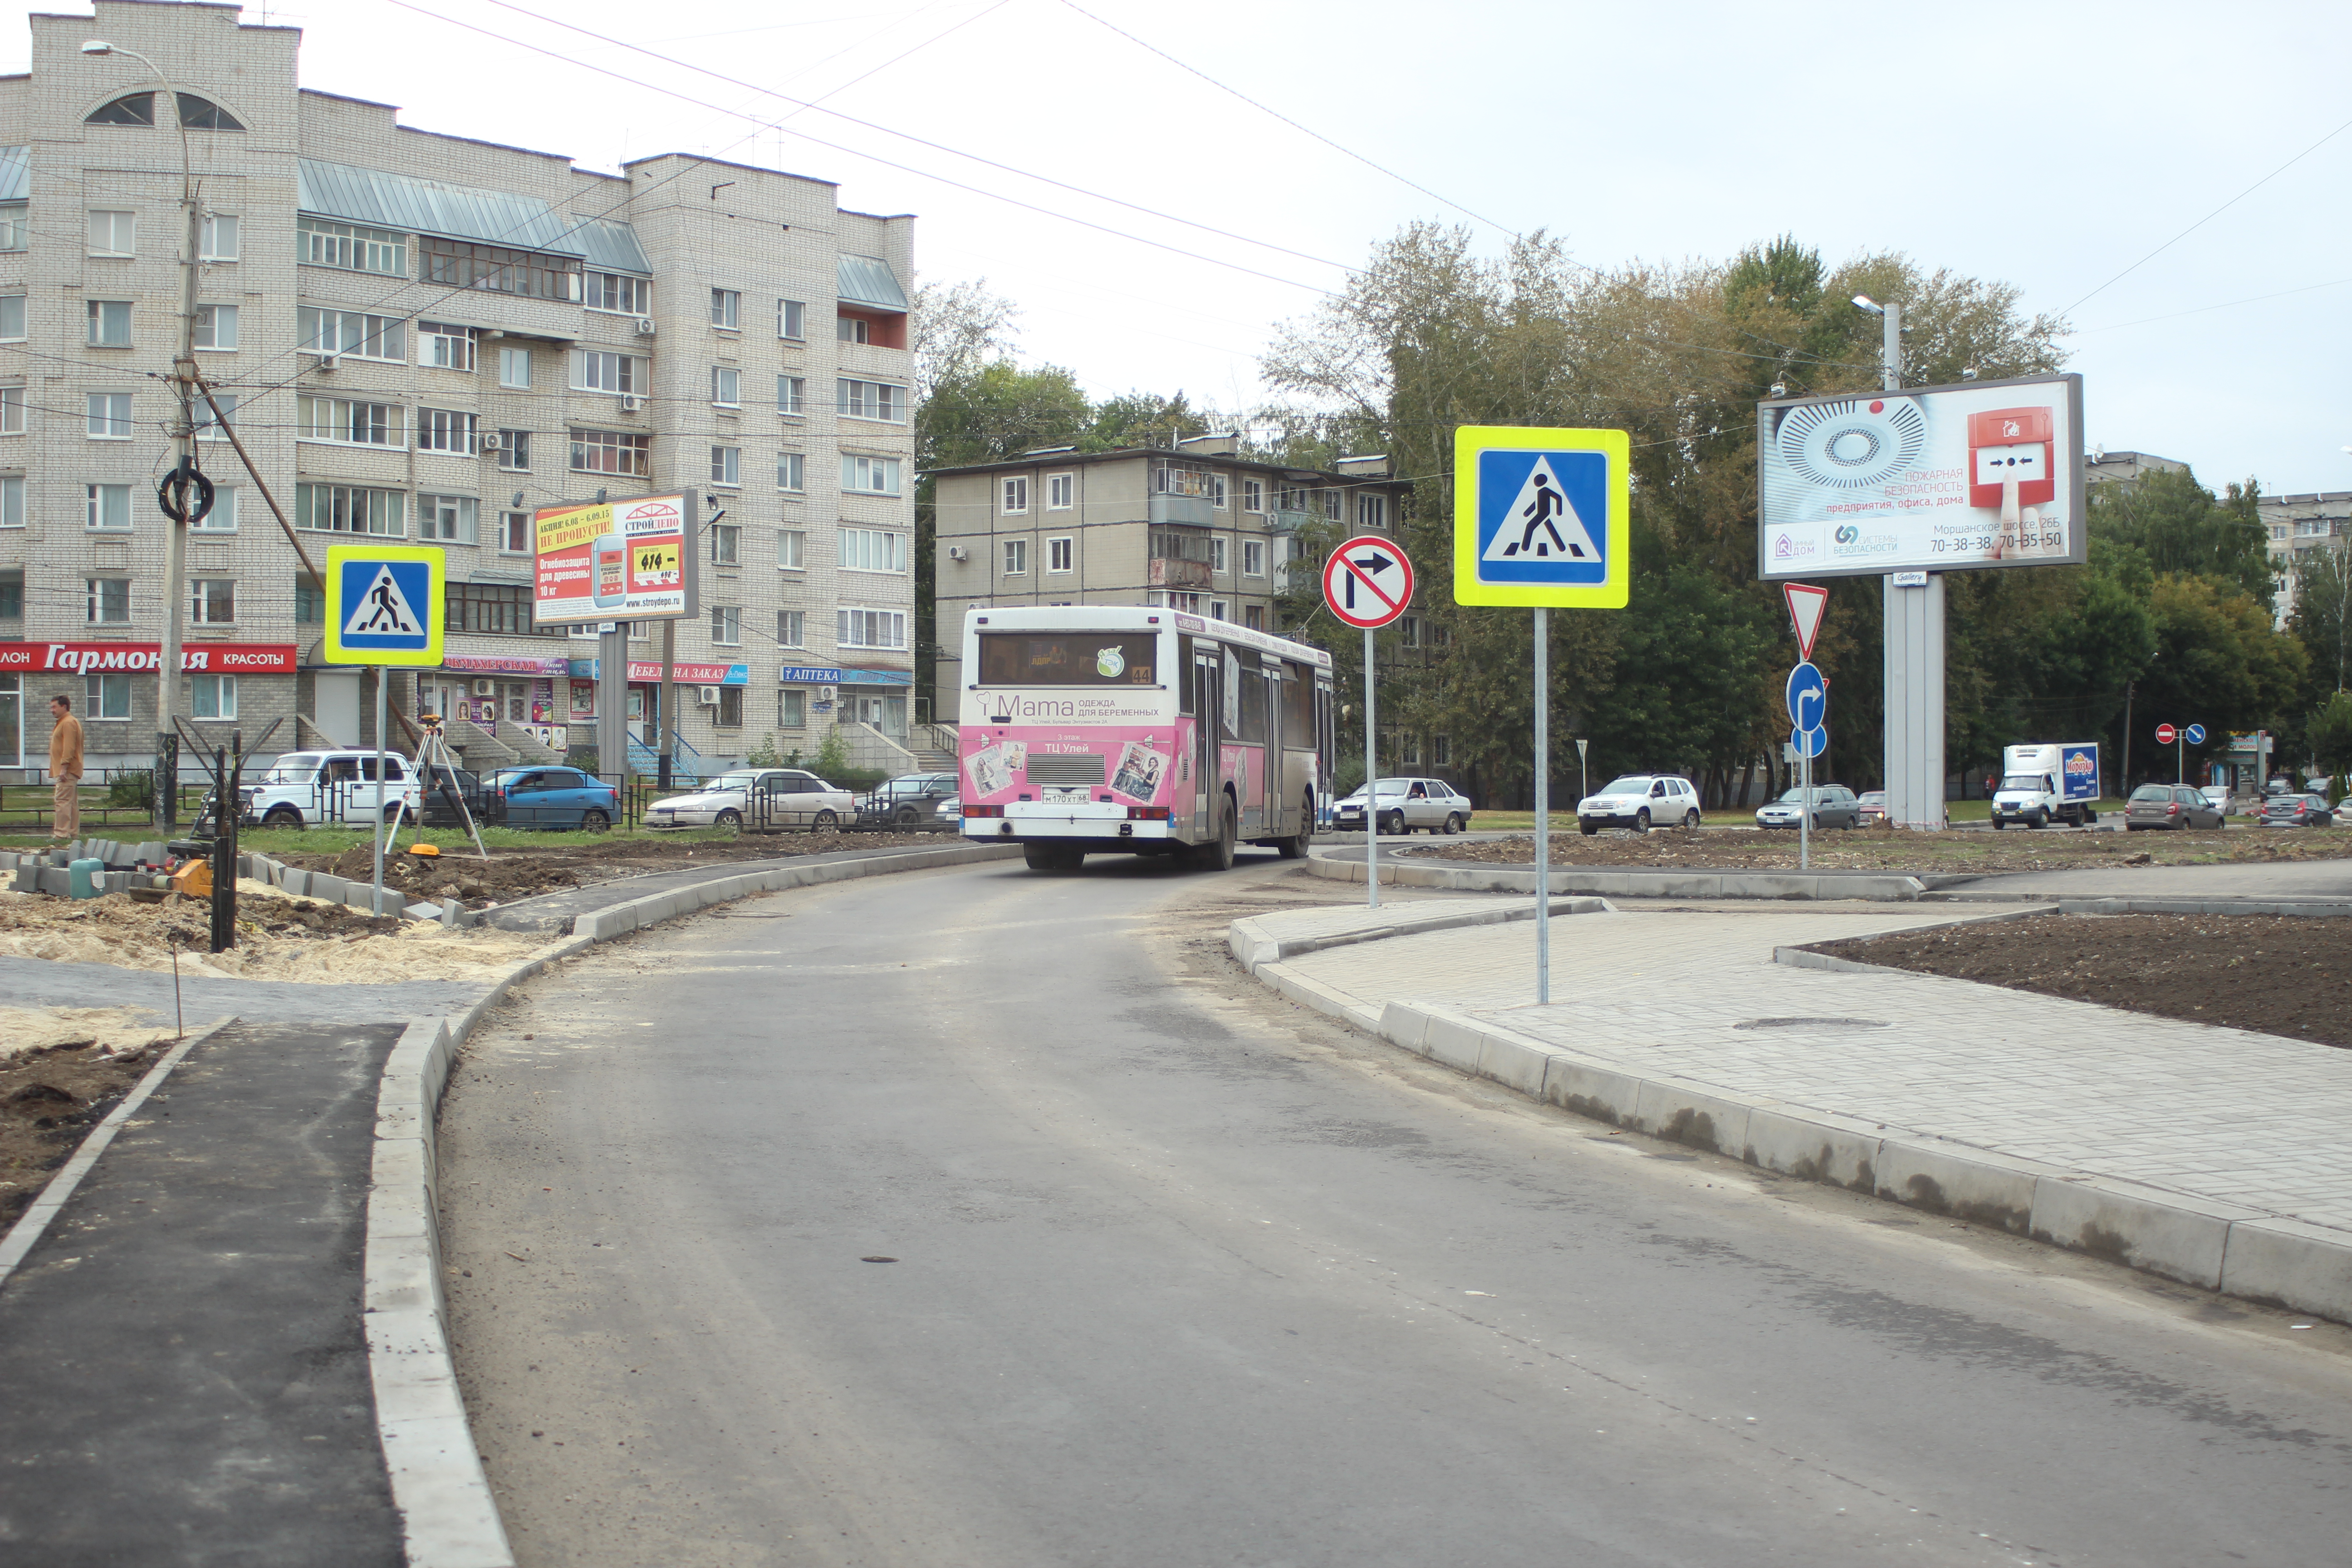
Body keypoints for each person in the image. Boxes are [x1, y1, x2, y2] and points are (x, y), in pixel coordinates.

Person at [48, 693, 84, 841]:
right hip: (69, 770)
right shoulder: (66, 721)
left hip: (67, 771)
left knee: (62, 802)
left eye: (54, 707)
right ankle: (73, 833)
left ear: (64, 706)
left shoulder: (68, 723)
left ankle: (61, 834)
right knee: (72, 803)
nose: (52, 710)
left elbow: (69, 748)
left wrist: (64, 768)